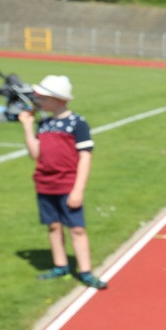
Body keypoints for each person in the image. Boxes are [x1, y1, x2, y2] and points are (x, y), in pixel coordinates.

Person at [17, 75, 107, 289]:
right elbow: (35, 154)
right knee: (53, 226)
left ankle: (85, 271)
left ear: (59, 99)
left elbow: (85, 156)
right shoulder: (44, 123)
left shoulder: (77, 123)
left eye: (43, 98)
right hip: (45, 184)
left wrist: (78, 189)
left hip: (67, 185)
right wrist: (28, 127)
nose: (38, 101)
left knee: (77, 229)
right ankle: (60, 266)